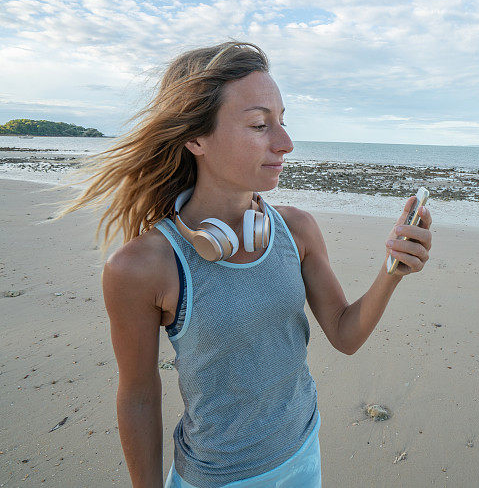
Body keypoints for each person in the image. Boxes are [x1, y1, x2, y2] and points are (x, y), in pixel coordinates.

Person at [53, 41, 433, 488]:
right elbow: (138, 394)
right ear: (195, 138)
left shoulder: (297, 229)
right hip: (217, 478)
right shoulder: (141, 267)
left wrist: (392, 270)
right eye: (259, 124)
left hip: (303, 452)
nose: (286, 143)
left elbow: (346, 335)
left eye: (282, 121)